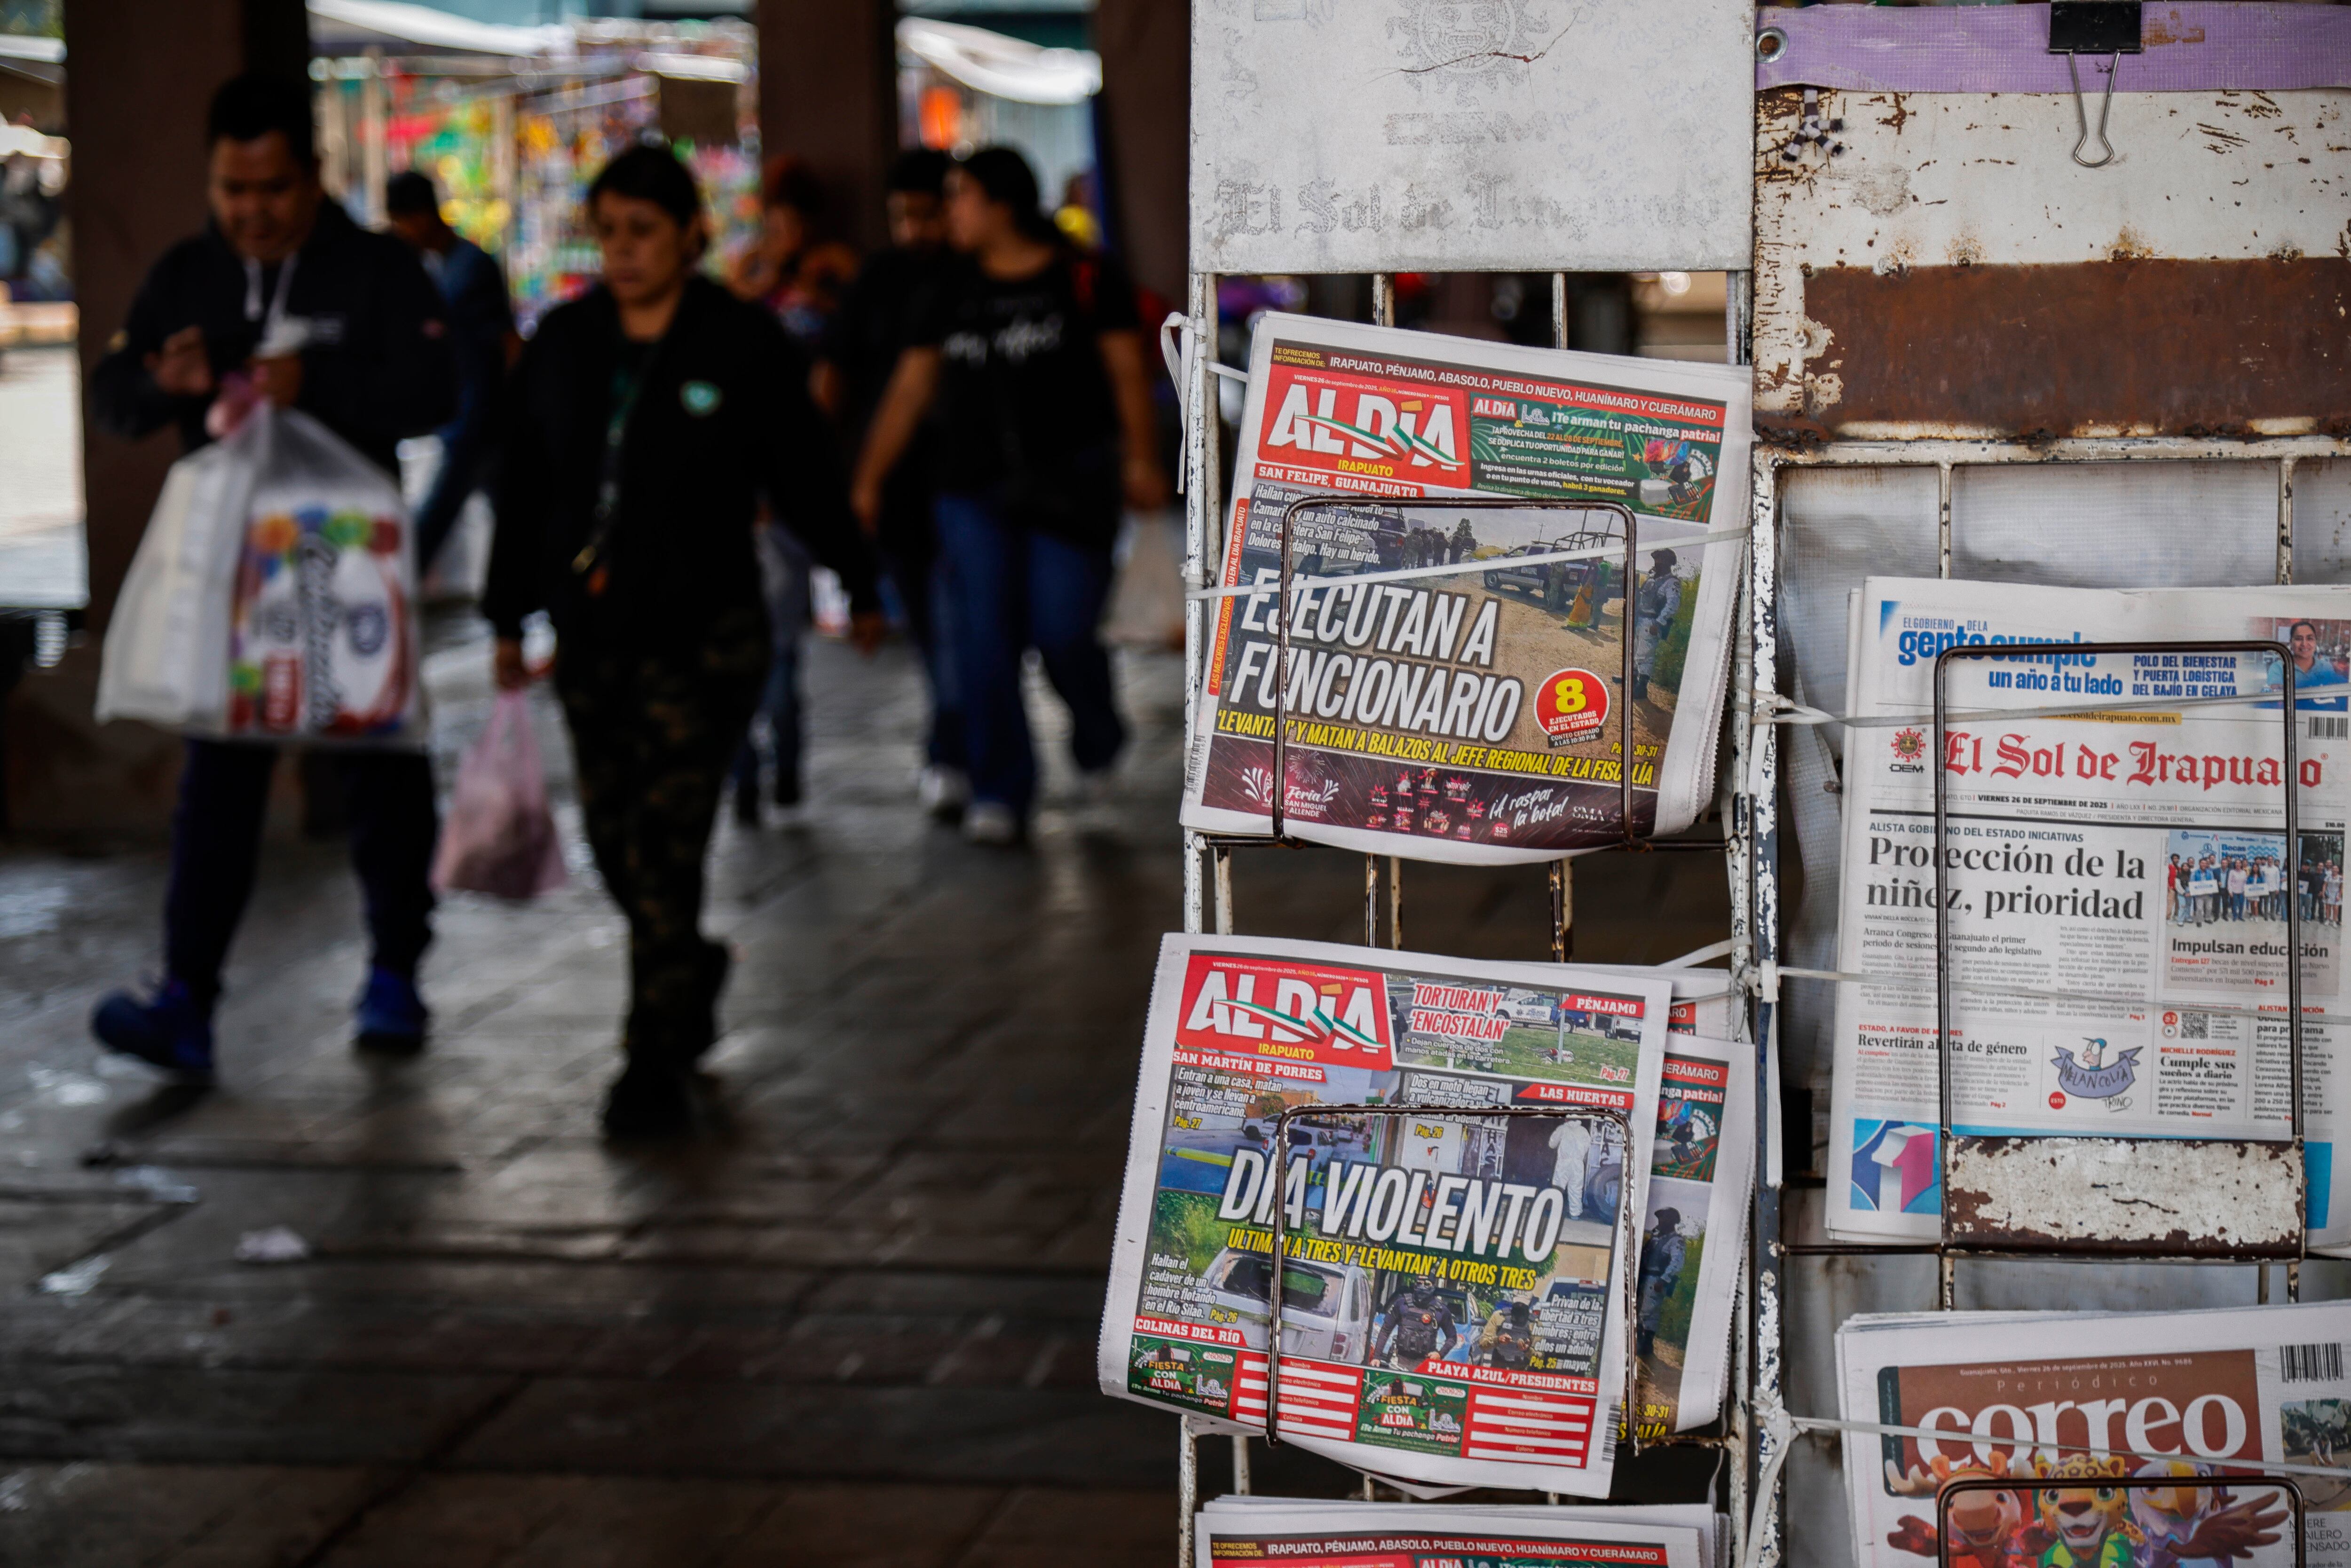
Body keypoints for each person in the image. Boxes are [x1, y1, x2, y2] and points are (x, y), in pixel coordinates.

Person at [484, 144, 884, 1138]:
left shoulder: (739, 342)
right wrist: (505, 612)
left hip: (706, 636)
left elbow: (803, 472)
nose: (623, 252)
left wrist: (859, 575)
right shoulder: (565, 342)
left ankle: (648, 1059)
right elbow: (524, 485)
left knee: (667, 843)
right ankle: (688, 968)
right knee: (617, 840)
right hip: (593, 635)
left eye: (644, 232)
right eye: (609, 231)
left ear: (690, 236)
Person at [86, 74, 456, 1079]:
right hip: (232, 576)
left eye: (275, 188)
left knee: (381, 762)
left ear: (314, 177)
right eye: (233, 189)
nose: (254, 210)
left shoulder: (377, 271)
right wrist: (162, 385)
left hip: (350, 567)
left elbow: (437, 390)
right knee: (218, 781)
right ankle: (186, 1005)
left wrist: (324, 383)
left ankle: (395, 973)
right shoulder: (185, 275)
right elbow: (112, 399)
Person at [851, 147, 1167, 845]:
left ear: (1002, 205)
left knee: (1062, 629)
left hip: (1070, 487)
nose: (949, 210)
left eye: (960, 196)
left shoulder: (1084, 276)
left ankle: (1097, 727)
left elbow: (1124, 373)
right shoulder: (945, 288)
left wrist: (1141, 458)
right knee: (981, 638)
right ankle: (1001, 787)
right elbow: (911, 387)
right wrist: (869, 478)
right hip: (968, 490)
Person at [814, 149, 967, 819]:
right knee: (939, 633)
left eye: (928, 214)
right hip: (898, 488)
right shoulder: (876, 277)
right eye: (903, 215)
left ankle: (954, 753)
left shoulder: (974, 275)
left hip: (969, 482)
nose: (915, 229)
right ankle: (953, 752)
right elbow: (834, 369)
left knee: (960, 630)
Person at [721, 157, 864, 826]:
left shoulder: (833, 270)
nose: (784, 232)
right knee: (755, 645)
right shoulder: (750, 275)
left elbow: (857, 327)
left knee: (777, 642)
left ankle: (777, 764)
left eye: (792, 221)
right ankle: (753, 769)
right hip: (749, 481)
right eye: (774, 220)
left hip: (800, 468)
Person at [383, 168, 515, 577]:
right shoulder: (443, 265)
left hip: (478, 419)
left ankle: (399, 588)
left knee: (439, 514)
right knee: (507, 512)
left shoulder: (469, 268)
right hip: (468, 417)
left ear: (419, 217)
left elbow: (506, 344)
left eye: (401, 222)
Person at [1375, 1272, 1458, 1370]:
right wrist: (1377, 1357)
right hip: (1399, 1361)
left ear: (1433, 1286)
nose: (1422, 1287)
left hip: (1425, 1364)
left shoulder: (1441, 1310)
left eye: (1427, 1284)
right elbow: (1385, 1330)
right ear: (1415, 1284)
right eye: (1419, 1283)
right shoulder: (1402, 1304)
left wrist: (1440, 1354)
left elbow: (1452, 1337)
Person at [1636, 1207, 1687, 1362]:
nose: (1661, 1221)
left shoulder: (1675, 1241)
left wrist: (1664, 1279)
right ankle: (1645, 1346)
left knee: (1645, 1313)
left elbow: (1677, 1262)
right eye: (1660, 1218)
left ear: (1672, 1221)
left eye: (1664, 1218)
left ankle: (1643, 1345)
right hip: (1646, 1277)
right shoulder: (1657, 1238)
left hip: (1656, 1280)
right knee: (1646, 1312)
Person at [1631, 548, 1681, 701]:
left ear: (1669, 563)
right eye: (1656, 560)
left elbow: (1673, 604)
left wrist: (1660, 622)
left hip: (1652, 621)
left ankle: (1642, 687)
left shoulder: (1672, 582)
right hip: (1640, 618)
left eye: (1661, 561)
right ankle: (1632, 680)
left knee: (1645, 655)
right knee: (1634, 650)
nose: (1658, 563)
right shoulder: (1652, 578)